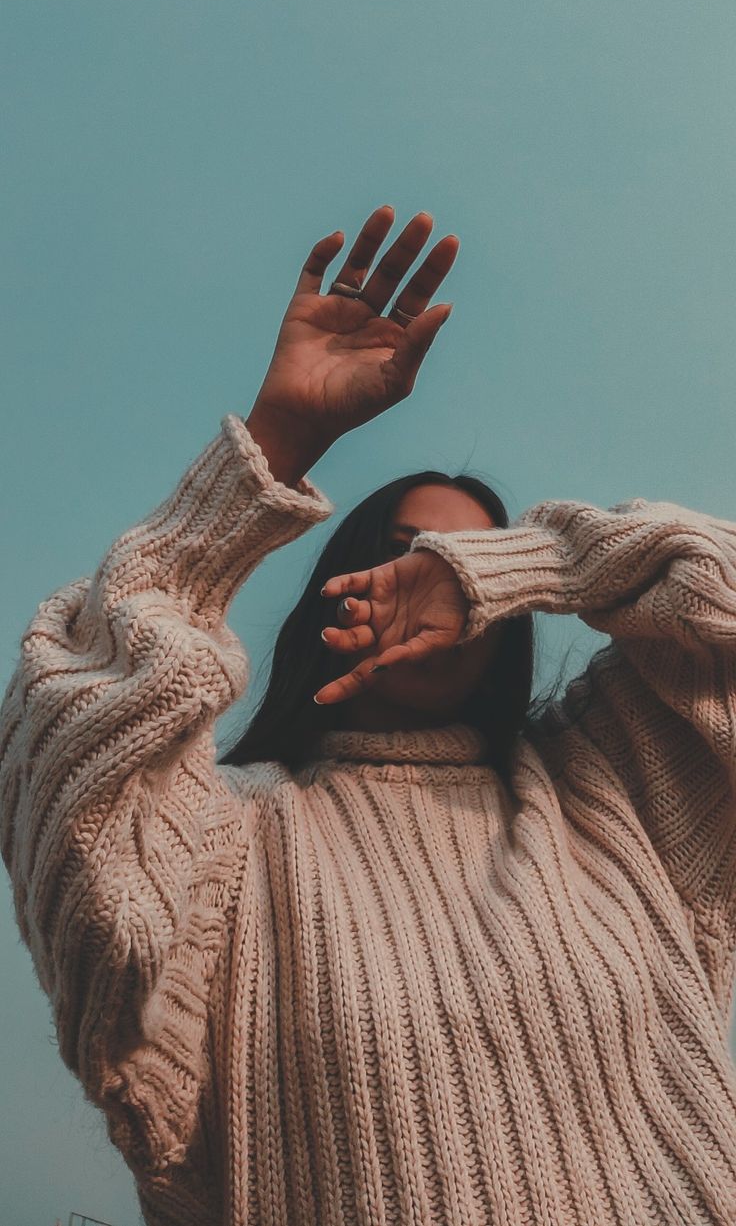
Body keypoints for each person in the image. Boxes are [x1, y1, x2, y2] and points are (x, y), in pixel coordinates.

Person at [1, 203, 735, 1226]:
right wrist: (279, 439)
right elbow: (66, 740)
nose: (418, 580)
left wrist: (528, 563)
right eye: (393, 549)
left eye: (453, 563)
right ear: (334, 588)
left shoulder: (613, 797)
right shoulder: (230, 849)